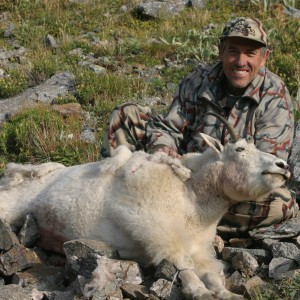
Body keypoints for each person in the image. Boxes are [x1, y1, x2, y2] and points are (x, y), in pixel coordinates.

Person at [100, 17, 298, 235]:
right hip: (180, 175)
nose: (240, 61)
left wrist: (222, 183)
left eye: (250, 53)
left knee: (281, 204)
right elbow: (169, 127)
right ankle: (106, 200)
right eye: (233, 51)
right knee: (125, 115)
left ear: (263, 58)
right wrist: (162, 147)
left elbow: (268, 167)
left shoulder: (274, 96)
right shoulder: (198, 81)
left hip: (228, 188)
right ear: (221, 51)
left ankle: (160, 216)